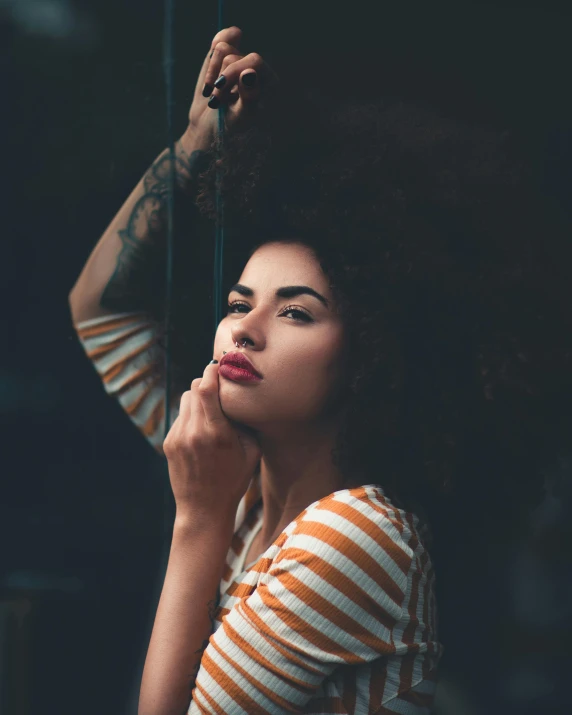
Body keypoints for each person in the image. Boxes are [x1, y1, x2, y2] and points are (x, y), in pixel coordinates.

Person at [69, 26, 572, 715]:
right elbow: (100, 310)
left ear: (372, 354)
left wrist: (198, 520)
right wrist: (195, 149)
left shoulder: (354, 535)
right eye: (240, 301)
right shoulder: (244, 482)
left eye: (297, 313)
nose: (245, 327)